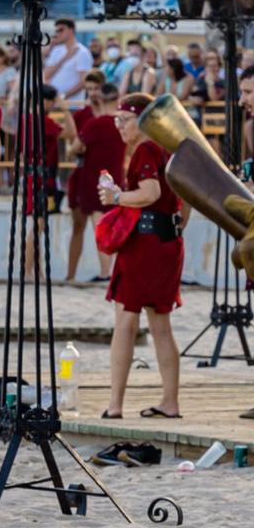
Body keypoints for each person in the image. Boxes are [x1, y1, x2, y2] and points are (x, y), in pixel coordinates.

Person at [98, 94, 184, 419]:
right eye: (116, 120)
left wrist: (117, 195)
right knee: (161, 324)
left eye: (125, 119)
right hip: (168, 241)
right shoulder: (169, 148)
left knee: (125, 321)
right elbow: (183, 199)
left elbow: (151, 193)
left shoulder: (147, 148)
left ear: (142, 120)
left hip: (145, 243)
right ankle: (170, 402)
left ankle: (115, 404)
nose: (119, 126)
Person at [64, 80, 125, 281]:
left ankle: (105, 271)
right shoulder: (124, 123)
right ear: (117, 99)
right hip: (117, 177)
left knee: (100, 225)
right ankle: (113, 270)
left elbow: (74, 148)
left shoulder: (95, 124)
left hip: (94, 178)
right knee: (116, 226)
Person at [43, 18, 95, 107]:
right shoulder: (56, 51)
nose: (58, 33)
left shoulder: (82, 52)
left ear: (71, 30)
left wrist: (63, 96)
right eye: (56, 31)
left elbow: (84, 81)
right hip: (53, 105)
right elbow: (46, 75)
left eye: (61, 30)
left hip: (72, 105)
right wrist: (65, 58)